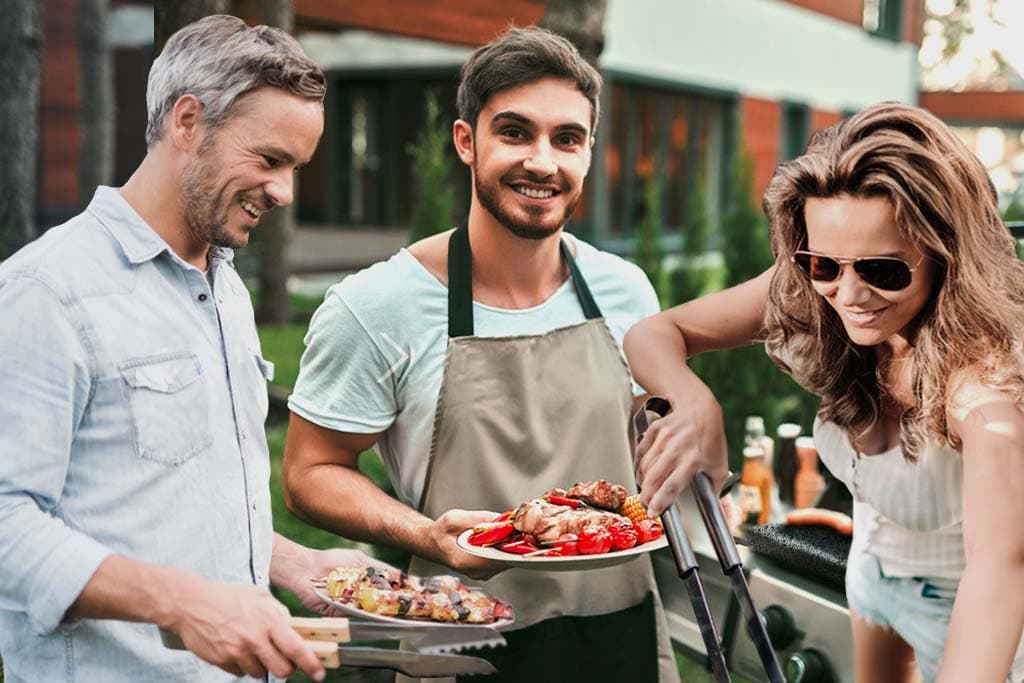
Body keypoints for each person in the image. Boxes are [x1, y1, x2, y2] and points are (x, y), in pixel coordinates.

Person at [282, 26, 678, 683]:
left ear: (588, 152)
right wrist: (424, 534)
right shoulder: (377, 306)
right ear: (467, 142)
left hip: (619, 632)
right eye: (515, 132)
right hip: (460, 639)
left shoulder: (626, 290)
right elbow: (307, 472)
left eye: (567, 139)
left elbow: (641, 440)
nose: (543, 162)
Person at [0, 15, 385, 683]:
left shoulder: (224, 289)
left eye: (295, 167)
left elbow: (169, 507)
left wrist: (291, 562)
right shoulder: (46, 292)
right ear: (186, 122)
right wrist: (182, 604)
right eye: (269, 160)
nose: (285, 192)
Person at [623, 102, 1024, 682]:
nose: (850, 294)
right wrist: (694, 404)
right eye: (822, 264)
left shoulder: (984, 394)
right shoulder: (818, 289)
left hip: (966, 606)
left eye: (884, 270)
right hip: (871, 572)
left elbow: (1001, 569)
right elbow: (655, 334)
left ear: (946, 256)